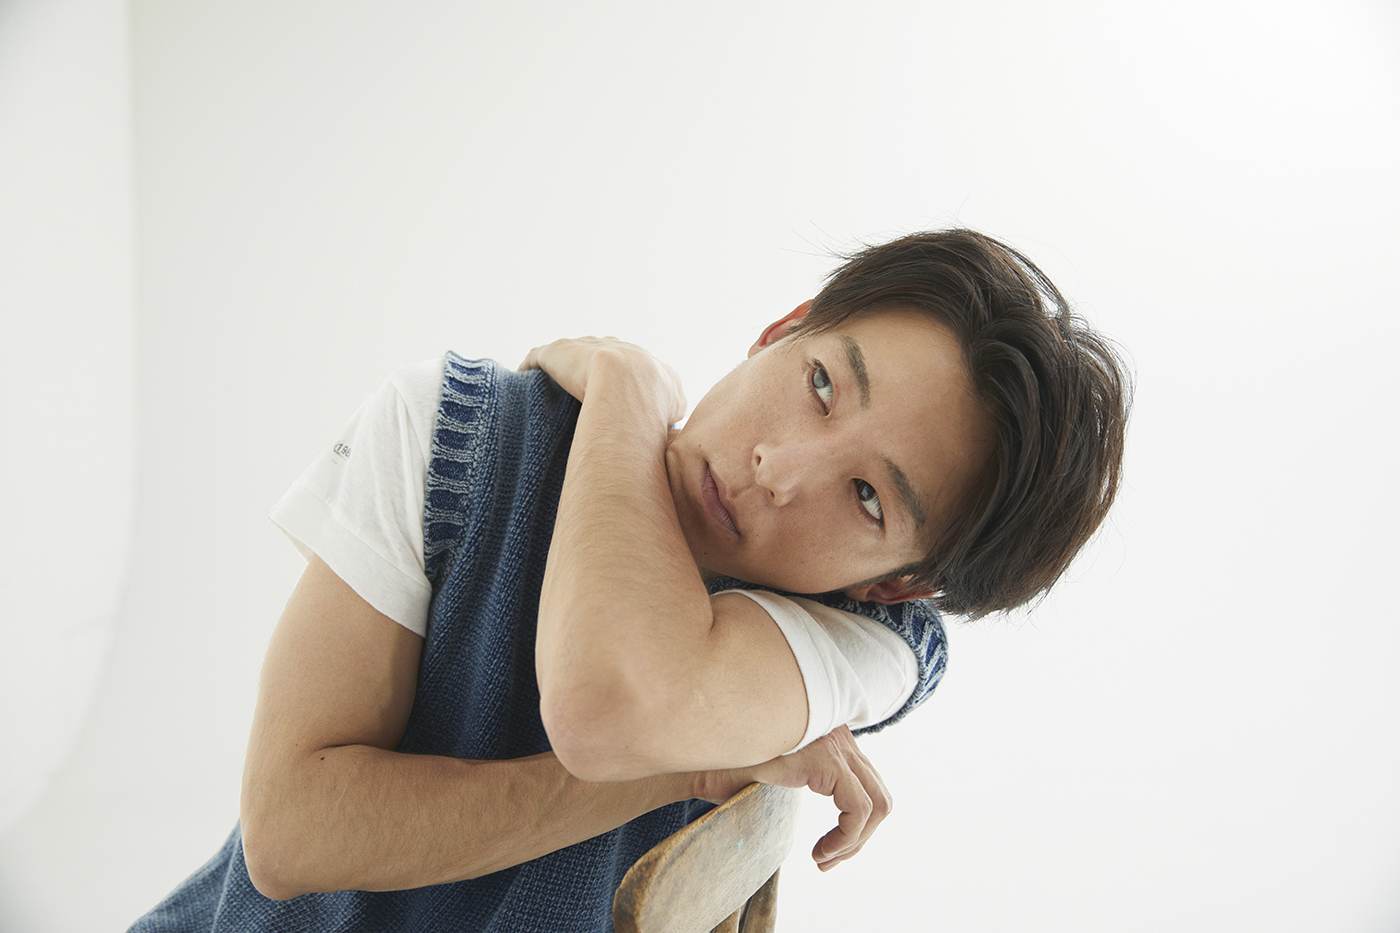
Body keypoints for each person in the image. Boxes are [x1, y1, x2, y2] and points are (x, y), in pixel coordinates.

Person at [129, 228, 1128, 932]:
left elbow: (604, 706)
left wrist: (621, 395)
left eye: (866, 497)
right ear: (784, 326)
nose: (778, 469)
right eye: (821, 383)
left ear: (897, 585)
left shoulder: (869, 645)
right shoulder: (457, 436)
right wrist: (630, 393)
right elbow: (292, 832)